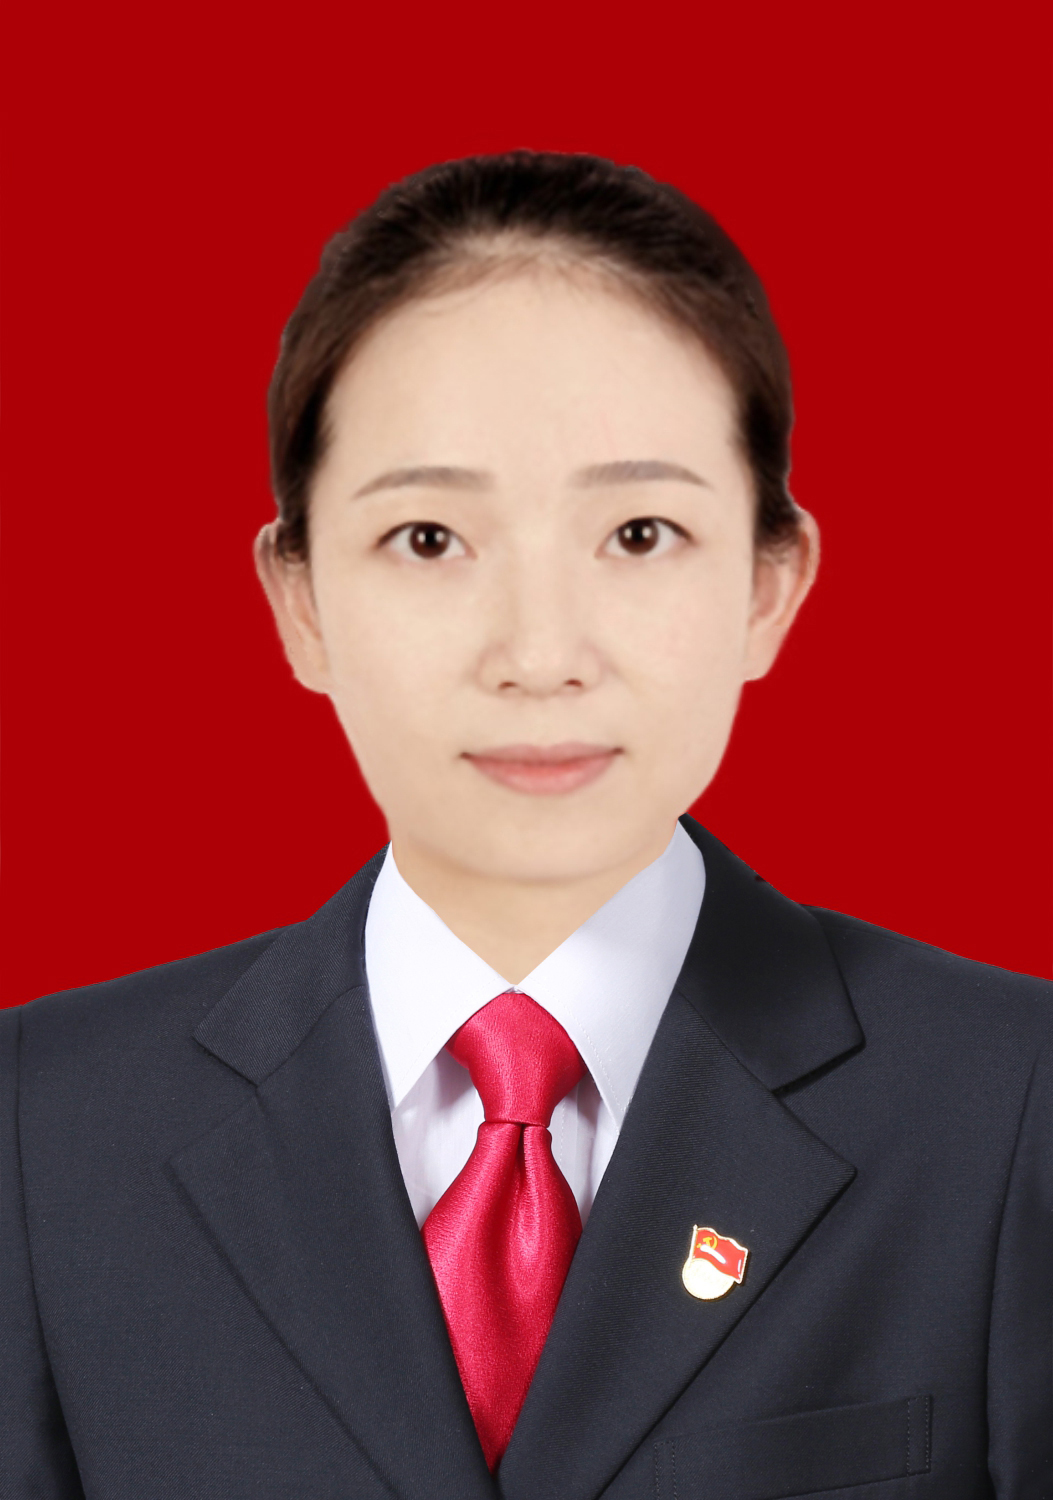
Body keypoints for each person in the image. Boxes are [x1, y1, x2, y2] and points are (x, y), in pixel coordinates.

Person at [2, 151, 1049, 1500]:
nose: (541, 656)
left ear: (769, 585)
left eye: (640, 534)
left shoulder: (1010, 1103)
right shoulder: (43, 1128)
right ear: (299, 600)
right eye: (430, 539)